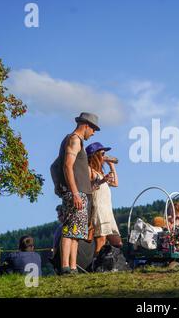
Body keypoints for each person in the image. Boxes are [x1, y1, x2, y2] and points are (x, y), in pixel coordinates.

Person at [51, 112, 99, 275]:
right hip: (76, 192)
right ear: (86, 125)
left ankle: (72, 267)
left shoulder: (76, 141)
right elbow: (66, 166)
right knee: (69, 230)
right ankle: (65, 266)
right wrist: (74, 192)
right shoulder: (74, 140)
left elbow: (53, 166)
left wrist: (58, 185)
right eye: (93, 129)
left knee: (76, 232)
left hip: (80, 191)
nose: (93, 133)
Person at [86, 141, 122, 255]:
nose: (104, 156)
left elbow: (116, 183)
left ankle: (110, 263)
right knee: (101, 239)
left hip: (107, 210)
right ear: (95, 155)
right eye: (102, 154)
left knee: (117, 242)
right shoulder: (89, 170)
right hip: (99, 208)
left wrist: (112, 166)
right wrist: (101, 181)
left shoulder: (100, 172)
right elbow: (87, 188)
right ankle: (96, 265)